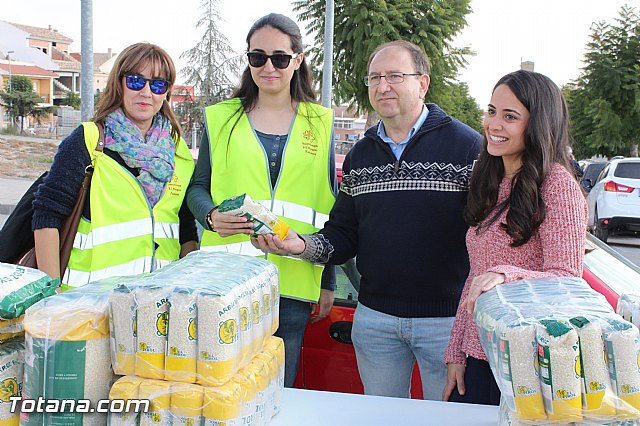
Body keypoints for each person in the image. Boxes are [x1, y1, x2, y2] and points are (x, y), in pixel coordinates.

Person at [252, 40, 482, 400]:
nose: (383, 86)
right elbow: (343, 234)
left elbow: (489, 233)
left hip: (447, 323)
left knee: (449, 419)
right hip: (376, 321)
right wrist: (299, 244)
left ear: (422, 83)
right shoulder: (361, 154)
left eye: (394, 76)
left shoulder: (467, 147)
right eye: (374, 78)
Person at [186, 13, 337, 388]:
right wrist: (210, 217)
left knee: (275, 391)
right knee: (221, 387)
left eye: (280, 58)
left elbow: (330, 207)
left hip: (293, 282)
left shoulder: (322, 123)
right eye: (258, 57)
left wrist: (328, 279)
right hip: (225, 283)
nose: (268, 66)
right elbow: (196, 188)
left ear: (298, 60)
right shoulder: (221, 119)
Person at [442, 70, 588, 405]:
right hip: (479, 355)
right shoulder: (490, 179)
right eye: (491, 111)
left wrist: (506, 274)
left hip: (529, 363)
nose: (494, 124)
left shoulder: (556, 184)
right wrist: (456, 351)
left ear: (537, 124)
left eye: (510, 116)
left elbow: (567, 277)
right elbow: (475, 277)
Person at [33, 42, 197, 288]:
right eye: (135, 81)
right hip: (88, 303)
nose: (146, 92)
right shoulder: (88, 140)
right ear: (119, 83)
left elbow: (185, 227)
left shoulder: (178, 151)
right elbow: (46, 216)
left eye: (158, 84)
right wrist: (50, 294)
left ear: (166, 93)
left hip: (157, 303)